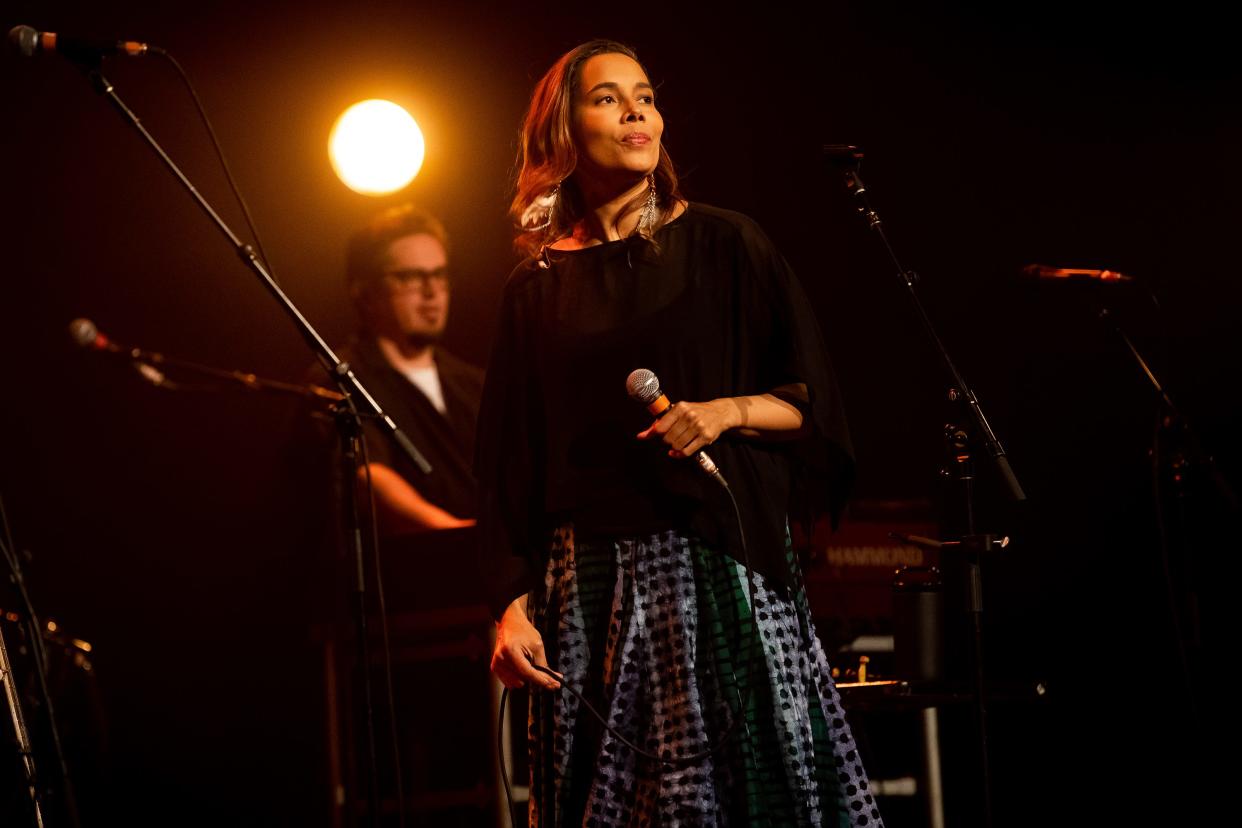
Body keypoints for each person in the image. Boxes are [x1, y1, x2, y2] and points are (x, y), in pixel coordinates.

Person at [477, 40, 883, 827]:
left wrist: (727, 411)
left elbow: (811, 403)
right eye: (607, 97)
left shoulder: (729, 243)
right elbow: (506, 465)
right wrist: (509, 604)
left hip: (716, 563)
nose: (636, 110)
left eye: (646, 95)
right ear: (562, 129)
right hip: (589, 586)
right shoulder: (535, 287)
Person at [340, 203, 484, 533]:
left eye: (439, 274)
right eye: (409, 277)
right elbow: (369, 475)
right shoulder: (344, 378)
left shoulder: (472, 383)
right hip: (412, 572)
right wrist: (455, 533)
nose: (431, 292)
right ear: (365, 292)